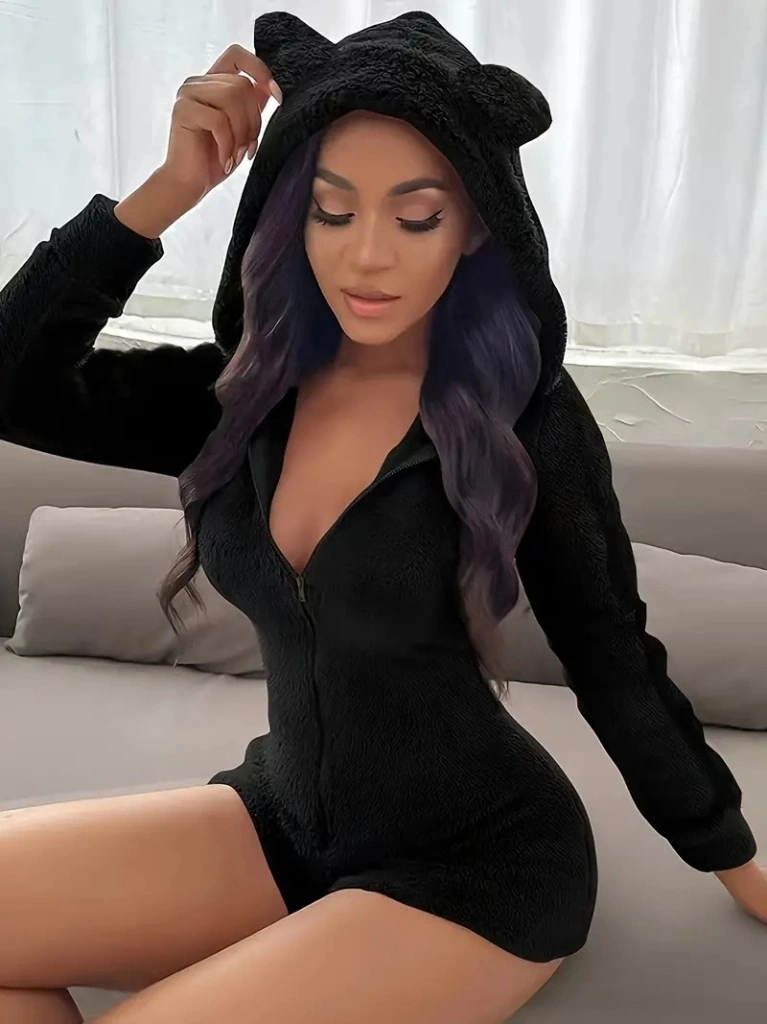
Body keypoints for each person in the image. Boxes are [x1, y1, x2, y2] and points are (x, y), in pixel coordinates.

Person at [0, 11, 764, 1024]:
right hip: (282, 819)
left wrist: (732, 858)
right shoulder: (243, 395)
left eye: (416, 218)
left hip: (475, 866)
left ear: (477, 225)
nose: (365, 258)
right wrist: (170, 188)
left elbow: (613, 658)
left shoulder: (523, 419)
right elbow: (15, 383)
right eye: (331, 210)